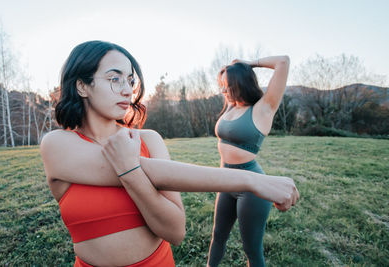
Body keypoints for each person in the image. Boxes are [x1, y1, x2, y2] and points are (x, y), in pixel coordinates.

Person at [40, 40, 299, 267]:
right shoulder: (57, 144)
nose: (128, 89)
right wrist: (252, 180)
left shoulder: (150, 140)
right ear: (82, 86)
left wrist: (130, 172)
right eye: (114, 78)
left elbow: (175, 232)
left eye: (131, 80)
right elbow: (150, 171)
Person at [207, 56, 291, 267]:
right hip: (226, 180)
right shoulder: (231, 106)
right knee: (218, 236)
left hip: (252, 186)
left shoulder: (264, 108)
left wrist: (249, 63)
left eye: (228, 86)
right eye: (223, 86)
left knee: (251, 248)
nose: (224, 92)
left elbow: (283, 61)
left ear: (241, 84)